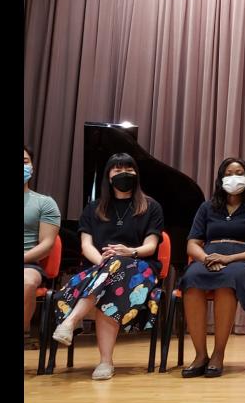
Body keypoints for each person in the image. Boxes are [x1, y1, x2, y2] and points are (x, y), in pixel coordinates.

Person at [51, 153, 164, 380]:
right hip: (100, 268)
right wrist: (105, 263)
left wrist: (129, 252)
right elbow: (86, 245)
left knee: (117, 268)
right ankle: (105, 362)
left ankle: (70, 322)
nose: (124, 174)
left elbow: (151, 246)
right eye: (118, 170)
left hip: (140, 267)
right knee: (111, 285)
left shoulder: (151, 206)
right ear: (108, 176)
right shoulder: (93, 208)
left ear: (136, 174)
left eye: (129, 169)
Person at [180, 157, 245, 378]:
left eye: (239, 173)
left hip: (242, 262)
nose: (233, 178)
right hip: (209, 258)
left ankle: (218, 354)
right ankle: (200, 355)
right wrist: (206, 259)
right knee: (191, 279)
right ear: (220, 179)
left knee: (227, 279)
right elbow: (192, 244)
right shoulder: (207, 208)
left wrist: (228, 259)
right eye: (228, 174)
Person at [23, 145, 61, 345]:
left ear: (32, 166)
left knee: (26, 282)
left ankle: (24, 332)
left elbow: (47, 244)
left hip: (28, 263)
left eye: (25, 161)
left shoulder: (45, 203)